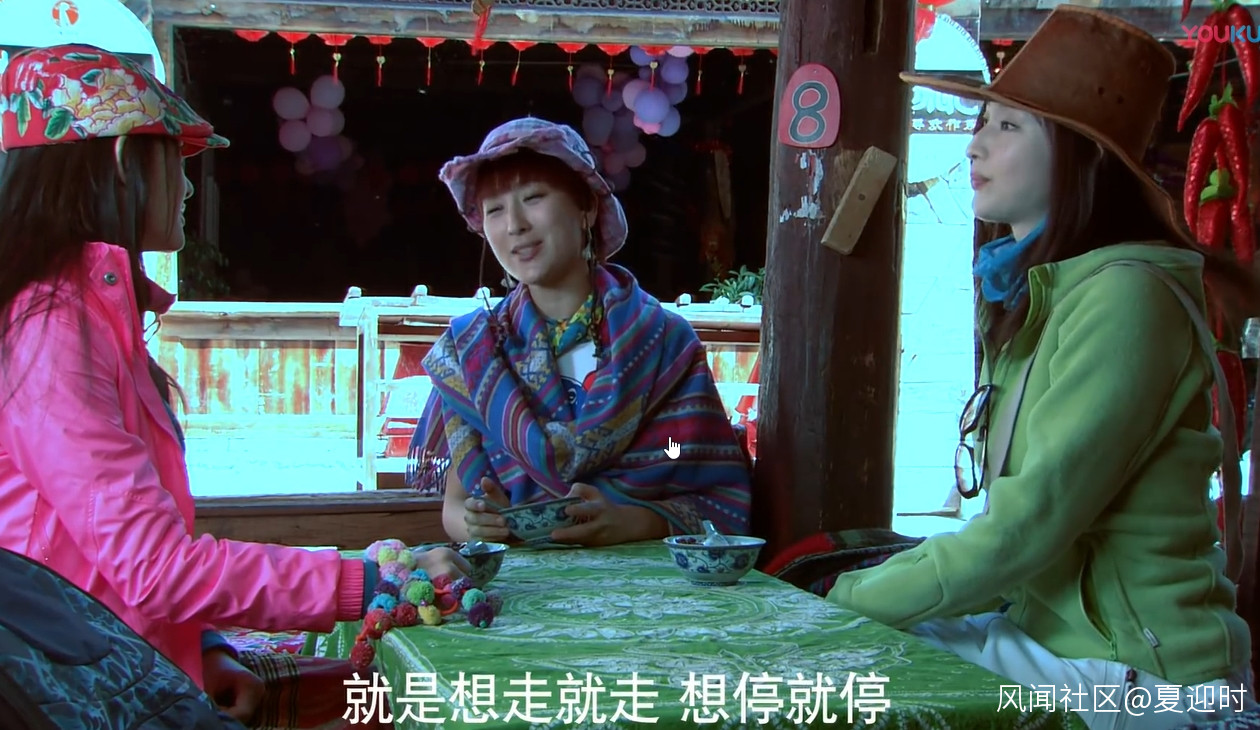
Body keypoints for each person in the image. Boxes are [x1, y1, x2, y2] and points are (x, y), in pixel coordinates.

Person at [0, 45, 469, 728]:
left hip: (122, 659)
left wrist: (208, 647)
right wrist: (372, 580)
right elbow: (152, 566)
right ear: (127, 163)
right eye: (177, 164)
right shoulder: (51, 329)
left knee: (369, 696)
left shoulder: (89, 310)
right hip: (77, 686)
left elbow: (117, 559)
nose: (188, 190)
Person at [826, 8, 1258, 728]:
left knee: (839, 672)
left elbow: (1026, 528)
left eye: (1006, 126)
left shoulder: (1126, 297)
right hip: (1053, 644)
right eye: (981, 122)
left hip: (1141, 672)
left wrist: (840, 598)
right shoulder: (1044, 294)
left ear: (1082, 156)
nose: (974, 145)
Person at [408, 117, 752, 546]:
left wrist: (632, 522)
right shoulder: (474, 355)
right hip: (524, 581)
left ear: (586, 208)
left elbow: (688, 466)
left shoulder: (662, 342)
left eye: (533, 198)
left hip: (646, 578)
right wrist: (479, 524)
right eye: (494, 209)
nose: (514, 224)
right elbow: (456, 506)